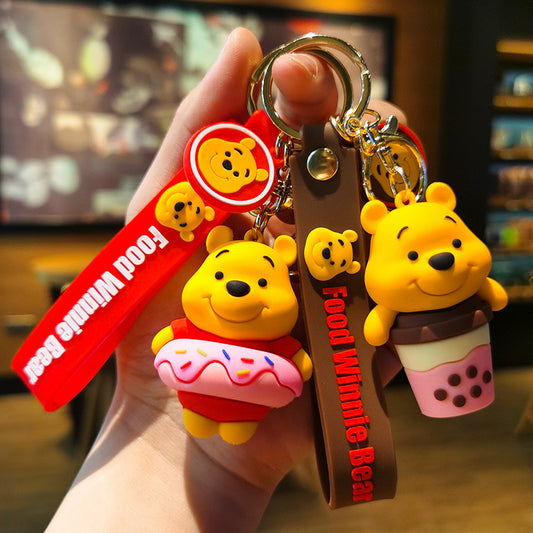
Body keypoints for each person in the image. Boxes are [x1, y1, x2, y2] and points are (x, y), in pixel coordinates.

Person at [46, 27, 405, 532]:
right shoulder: (204, 277)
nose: (237, 289)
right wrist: (158, 418)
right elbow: (174, 335)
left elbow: (293, 357)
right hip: (195, 391)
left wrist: (312, 358)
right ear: (213, 254)